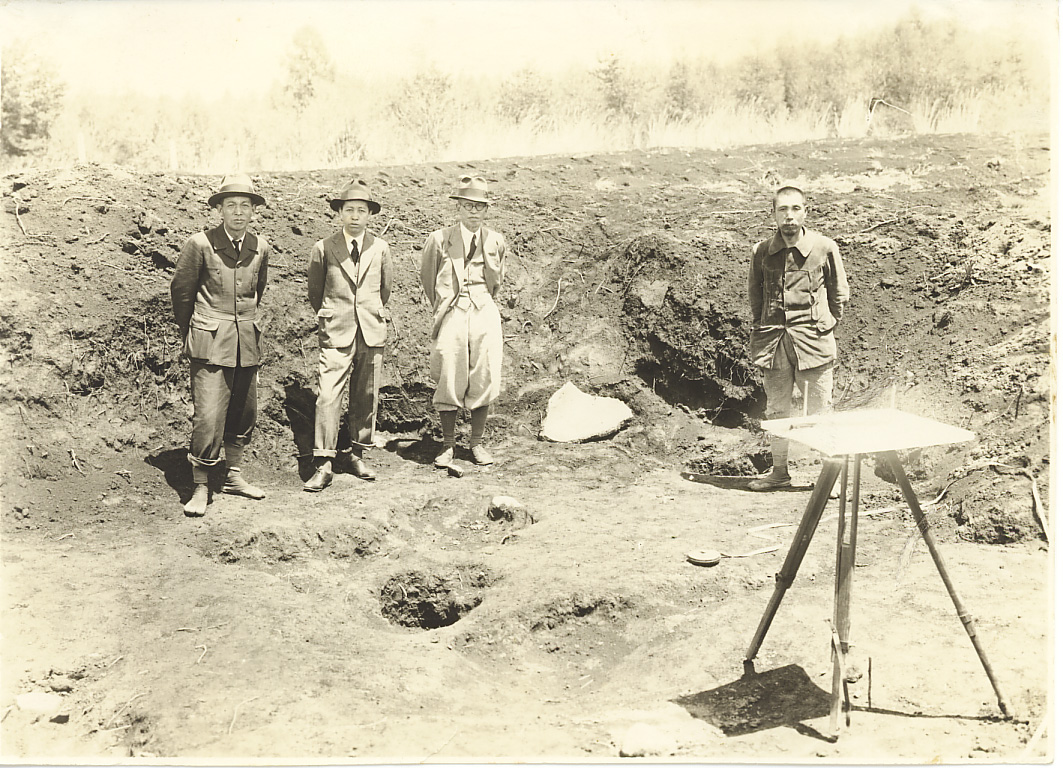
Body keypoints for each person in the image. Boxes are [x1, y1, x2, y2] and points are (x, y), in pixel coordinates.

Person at [170, 174, 271, 516]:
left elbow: (258, 290)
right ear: (219, 210)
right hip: (210, 341)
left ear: (254, 211)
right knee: (209, 415)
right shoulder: (200, 244)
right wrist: (194, 332)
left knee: (244, 411)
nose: (238, 212)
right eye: (231, 206)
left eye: (245, 206)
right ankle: (201, 486)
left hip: (246, 341)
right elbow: (182, 293)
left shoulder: (261, 246)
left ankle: (233, 476)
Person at [747, 183, 850, 491]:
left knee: (820, 410)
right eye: (782, 210)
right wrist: (763, 326)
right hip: (774, 343)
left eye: (795, 209)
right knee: (777, 411)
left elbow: (839, 293)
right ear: (773, 215)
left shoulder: (825, 247)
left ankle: (830, 479)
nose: (789, 217)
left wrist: (826, 324)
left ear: (806, 211)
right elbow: (755, 295)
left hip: (814, 343)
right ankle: (779, 473)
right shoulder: (762, 251)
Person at [303, 180, 393, 492]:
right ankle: (324, 462)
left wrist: (369, 313)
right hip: (336, 330)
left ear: (370, 215)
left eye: (361, 211)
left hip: (370, 330)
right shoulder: (324, 248)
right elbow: (316, 292)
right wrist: (334, 314)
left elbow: (385, 290)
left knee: (366, 394)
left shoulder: (380, 248)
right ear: (340, 213)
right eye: (349, 210)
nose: (355, 216)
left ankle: (357, 453)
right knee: (328, 394)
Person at [419, 175, 507, 468]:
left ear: (486, 210)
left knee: (484, 373)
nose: (473, 212)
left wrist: (481, 301)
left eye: (479, 207)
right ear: (458, 207)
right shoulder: (440, 239)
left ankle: (477, 443)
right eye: (467, 206)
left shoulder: (495, 241)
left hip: (484, 311)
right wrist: (446, 305)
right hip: (453, 311)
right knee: (449, 372)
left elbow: (497, 281)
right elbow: (429, 279)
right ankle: (447, 445)